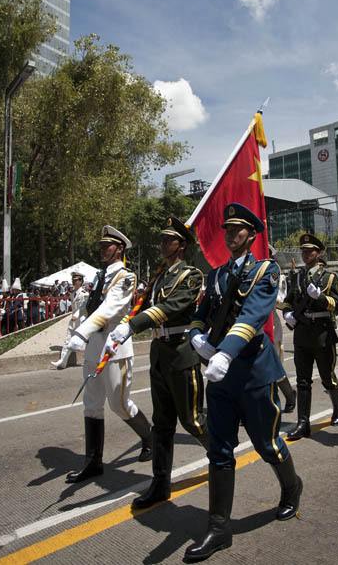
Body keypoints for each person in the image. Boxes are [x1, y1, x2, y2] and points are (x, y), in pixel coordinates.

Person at [184, 203, 302, 562]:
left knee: (266, 444)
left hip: (251, 372)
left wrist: (225, 352)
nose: (230, 234)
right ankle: (219, 529)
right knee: (219, 451)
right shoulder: (216, 275)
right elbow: (200, 315)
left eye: (238, 229)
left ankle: (292, 486)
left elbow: (253, 316)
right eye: (227, 229)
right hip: (220, 376)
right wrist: (196, 338)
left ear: (251, 235)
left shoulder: (265, 270)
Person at [106, 216, 208, 509]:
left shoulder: (191, 275)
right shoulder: (160, 275)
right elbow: (150, 303)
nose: (162, 244)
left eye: (168, 240)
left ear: (181, 246)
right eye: (162, 239)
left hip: (180, 351)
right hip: (160, 351)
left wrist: (133, 324)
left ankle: (220, 455)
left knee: (192, 420)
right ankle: (160, 484)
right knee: (162, 424)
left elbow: (171, 307)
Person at [62, 225, 153, 483]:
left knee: (119, 405)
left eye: (108, 246)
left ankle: (149, 437)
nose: (103, 249)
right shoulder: (98, 276)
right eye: (101, 246)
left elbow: (110, 308)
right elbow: (85, 310)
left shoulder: (126, 277)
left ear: (120, 248)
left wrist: (81, 333)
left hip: (114, 347)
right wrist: (74, 337)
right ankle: (93, 462)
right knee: (91, 404)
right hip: (94, 344)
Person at [283, 234, 338, 441]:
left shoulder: (329, 278)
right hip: (302, 333)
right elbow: (287, 301)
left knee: (327, 377)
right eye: (304, 250)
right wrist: (287, 315)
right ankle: (303, 423)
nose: (306, 254)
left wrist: (319, 297)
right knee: (302, 381)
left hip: (322, 332)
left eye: (310, 251)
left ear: (318, 254)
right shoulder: (297, 277)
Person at [268, 244, 297, 413]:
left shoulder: (274, 272)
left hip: (270, 321)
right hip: (250, 323)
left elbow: (280, 298)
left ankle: (288, 394)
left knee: (273, 363)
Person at [52, 271, 88, 369]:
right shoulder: (72, 294)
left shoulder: (84, 294)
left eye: (75, 280)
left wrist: (76, 315)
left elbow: (83, 307)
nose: (73, 281)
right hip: (73, 321)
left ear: (80, 281)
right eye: (73, 280)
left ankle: (93, 359)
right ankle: (62, 362)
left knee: (87, 342)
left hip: (81, 320)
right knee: (68, 340)